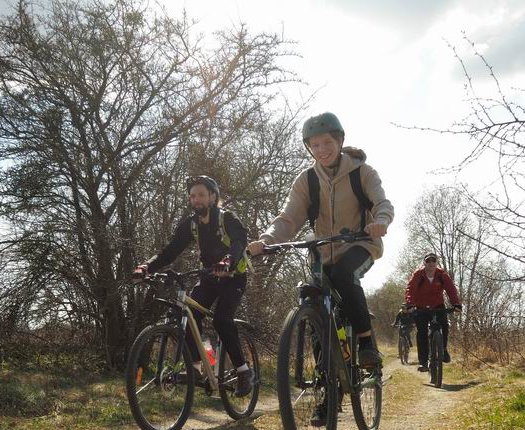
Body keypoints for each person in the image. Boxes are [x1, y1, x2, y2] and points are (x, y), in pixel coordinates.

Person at [247, 112, 394, 370]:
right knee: (313, 302)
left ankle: (366, 344)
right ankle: (326, 387)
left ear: (339, 141)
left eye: (327, 142)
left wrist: (380, 221)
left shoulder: (363, 173)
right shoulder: (306, 181)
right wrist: (266, 239)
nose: (321, 150)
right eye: (314, 145)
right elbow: (288, 218)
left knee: (344, 274)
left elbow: (382, 203)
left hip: (361, 244)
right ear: (309, 148)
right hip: (322, 252)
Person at [132, 175, 254, 397]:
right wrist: (146, 267)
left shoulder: (227, 218)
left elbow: (239, 241)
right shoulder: (191, 225)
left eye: (200, 195)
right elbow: (169, 251)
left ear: (213, 196)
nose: (196, 200)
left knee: (221, 320)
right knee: (187, 316)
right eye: (192, 196)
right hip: (209, 278)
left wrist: (228, 261)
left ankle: (244, 371)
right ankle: (198, 368)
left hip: (234, 277)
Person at [404, 252, 462, 372]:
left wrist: (456, 304)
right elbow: (411, 289)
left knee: (445, 326)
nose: (431, 263)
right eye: (428, 261)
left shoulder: (441, 275)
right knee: (422, 334)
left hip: (438, 306)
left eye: (433, 261)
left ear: (437, 262)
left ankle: (443, 350)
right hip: (421, 308)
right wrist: (410, 304)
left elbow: (451, 289)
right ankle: (423, 362)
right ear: (424, 263)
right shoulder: (418, 275)